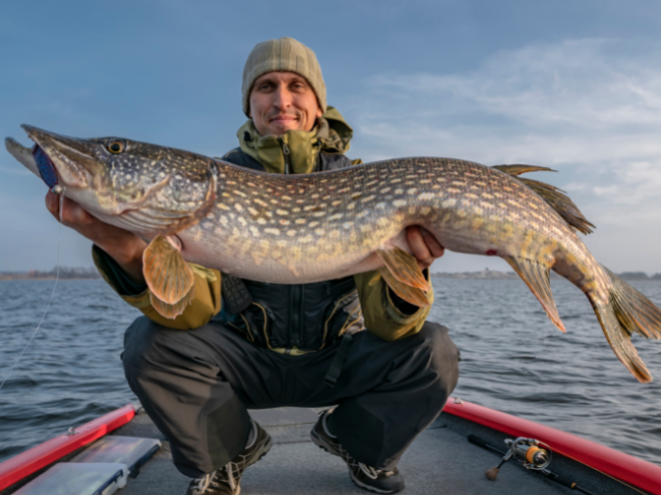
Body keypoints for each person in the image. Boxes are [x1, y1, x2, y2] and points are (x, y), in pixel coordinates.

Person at [45, 37, 460, 495]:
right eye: (266, 86)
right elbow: (191, 314)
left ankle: (355, 441)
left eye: (296, 86)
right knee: (149, 343)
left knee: (432, 350)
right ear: (250, 104)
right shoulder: (213, 184)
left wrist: (411, 274)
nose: (281, 99)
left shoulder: (367, 184)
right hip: (245, 363)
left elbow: (390, 329)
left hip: (336, 361)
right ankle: (231, 450)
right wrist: (121, 246)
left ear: (318, 103)